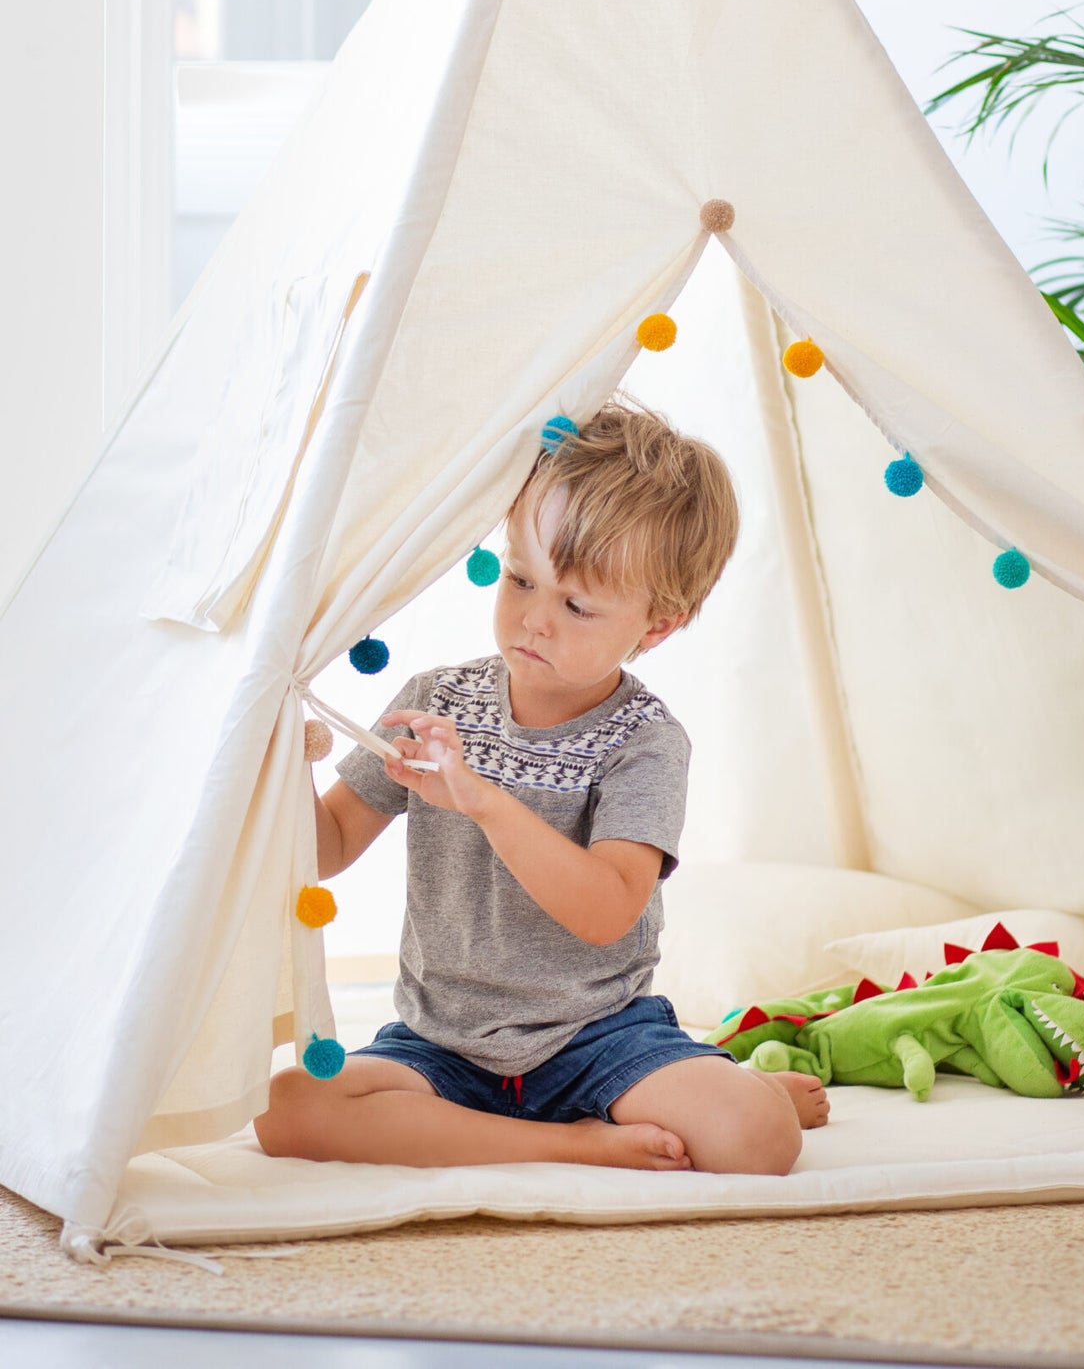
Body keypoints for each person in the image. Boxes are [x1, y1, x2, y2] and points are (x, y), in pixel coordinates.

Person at [255, 401, 828, 1175]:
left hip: (597, 1037)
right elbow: (324, 850)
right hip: (441, 1044)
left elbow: (606, 909)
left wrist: (484, 800)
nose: (533, 619)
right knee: (285, 1109)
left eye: (576, 604)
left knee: (758, 1138)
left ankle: (706, 1085)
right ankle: (572, 1142)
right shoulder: (438, 700)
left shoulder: (645, 741)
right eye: (521, 577)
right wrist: (288, 762)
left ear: (656, 625)